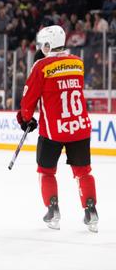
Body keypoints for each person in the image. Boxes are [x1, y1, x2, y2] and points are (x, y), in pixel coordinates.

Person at [16, 25, 98, 232]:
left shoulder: (41, 66)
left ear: (46, 45)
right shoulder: (78, 63)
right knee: (83, 172)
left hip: (53, 129)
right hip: (79, 126)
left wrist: (25, 119)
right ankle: (91, 211)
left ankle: (53, 210)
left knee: (46, 171)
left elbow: (29, 99)